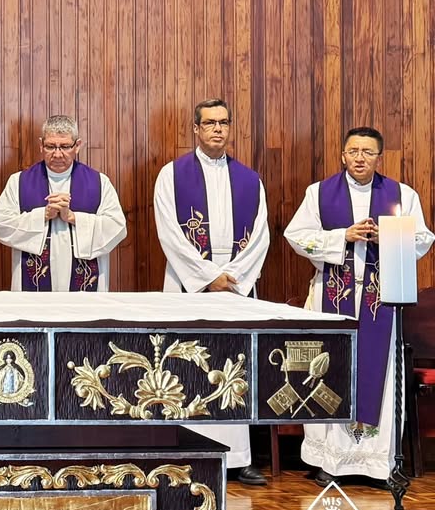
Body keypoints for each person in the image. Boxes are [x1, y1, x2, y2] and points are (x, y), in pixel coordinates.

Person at [285, 126, 433, 485]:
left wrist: (391, 236)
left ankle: (377, 463)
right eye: (353, 151)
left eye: (368, 152)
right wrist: (342, 237)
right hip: (332, 299)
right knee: (329, 370)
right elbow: (296, 235)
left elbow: (424, 238)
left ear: (379, 157)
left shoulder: (402, 194)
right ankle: (329, 461)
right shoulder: (318, 193)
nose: (360, 158)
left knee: (378, 375)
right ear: (343, 155)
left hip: (380, 300)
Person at [153, 98, 271, 486]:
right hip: (190, 283)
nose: (217, 129)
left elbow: (260, 236)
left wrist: (232, 277)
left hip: (235, 286)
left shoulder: (250, 180)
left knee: (232, 364)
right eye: (209, 123)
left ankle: (238, 459)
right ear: (196, 129)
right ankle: (185, 451)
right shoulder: (172, 175)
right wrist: (206, 277)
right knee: (188, 365)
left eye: (223, 122)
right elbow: (169, 231)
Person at [0, 115, 127, 290]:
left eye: (64, 146)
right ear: (41, 144)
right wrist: (43, 215)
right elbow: (2, 224)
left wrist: (73, 217)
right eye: (50, 146)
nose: (57, 154)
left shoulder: (100, 182)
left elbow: (117, 228)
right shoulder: (18, 182)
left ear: (77, 146)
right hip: (34, 290)